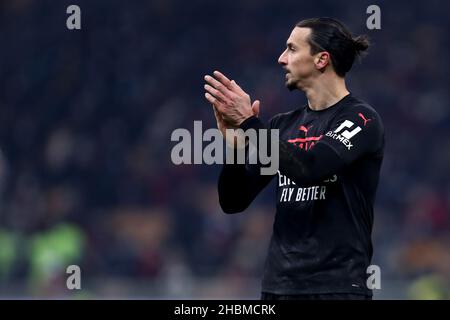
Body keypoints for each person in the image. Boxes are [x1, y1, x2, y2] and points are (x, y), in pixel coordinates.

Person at [204, 17, 385, 300]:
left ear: (321, 59)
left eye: (291, 49)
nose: (281, 59)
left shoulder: (361, 119)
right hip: (279, 287)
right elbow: (233, 201)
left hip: (336, 288)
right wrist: (237, 148)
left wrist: (250, 124)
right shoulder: (282, 126)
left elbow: (310, 168)